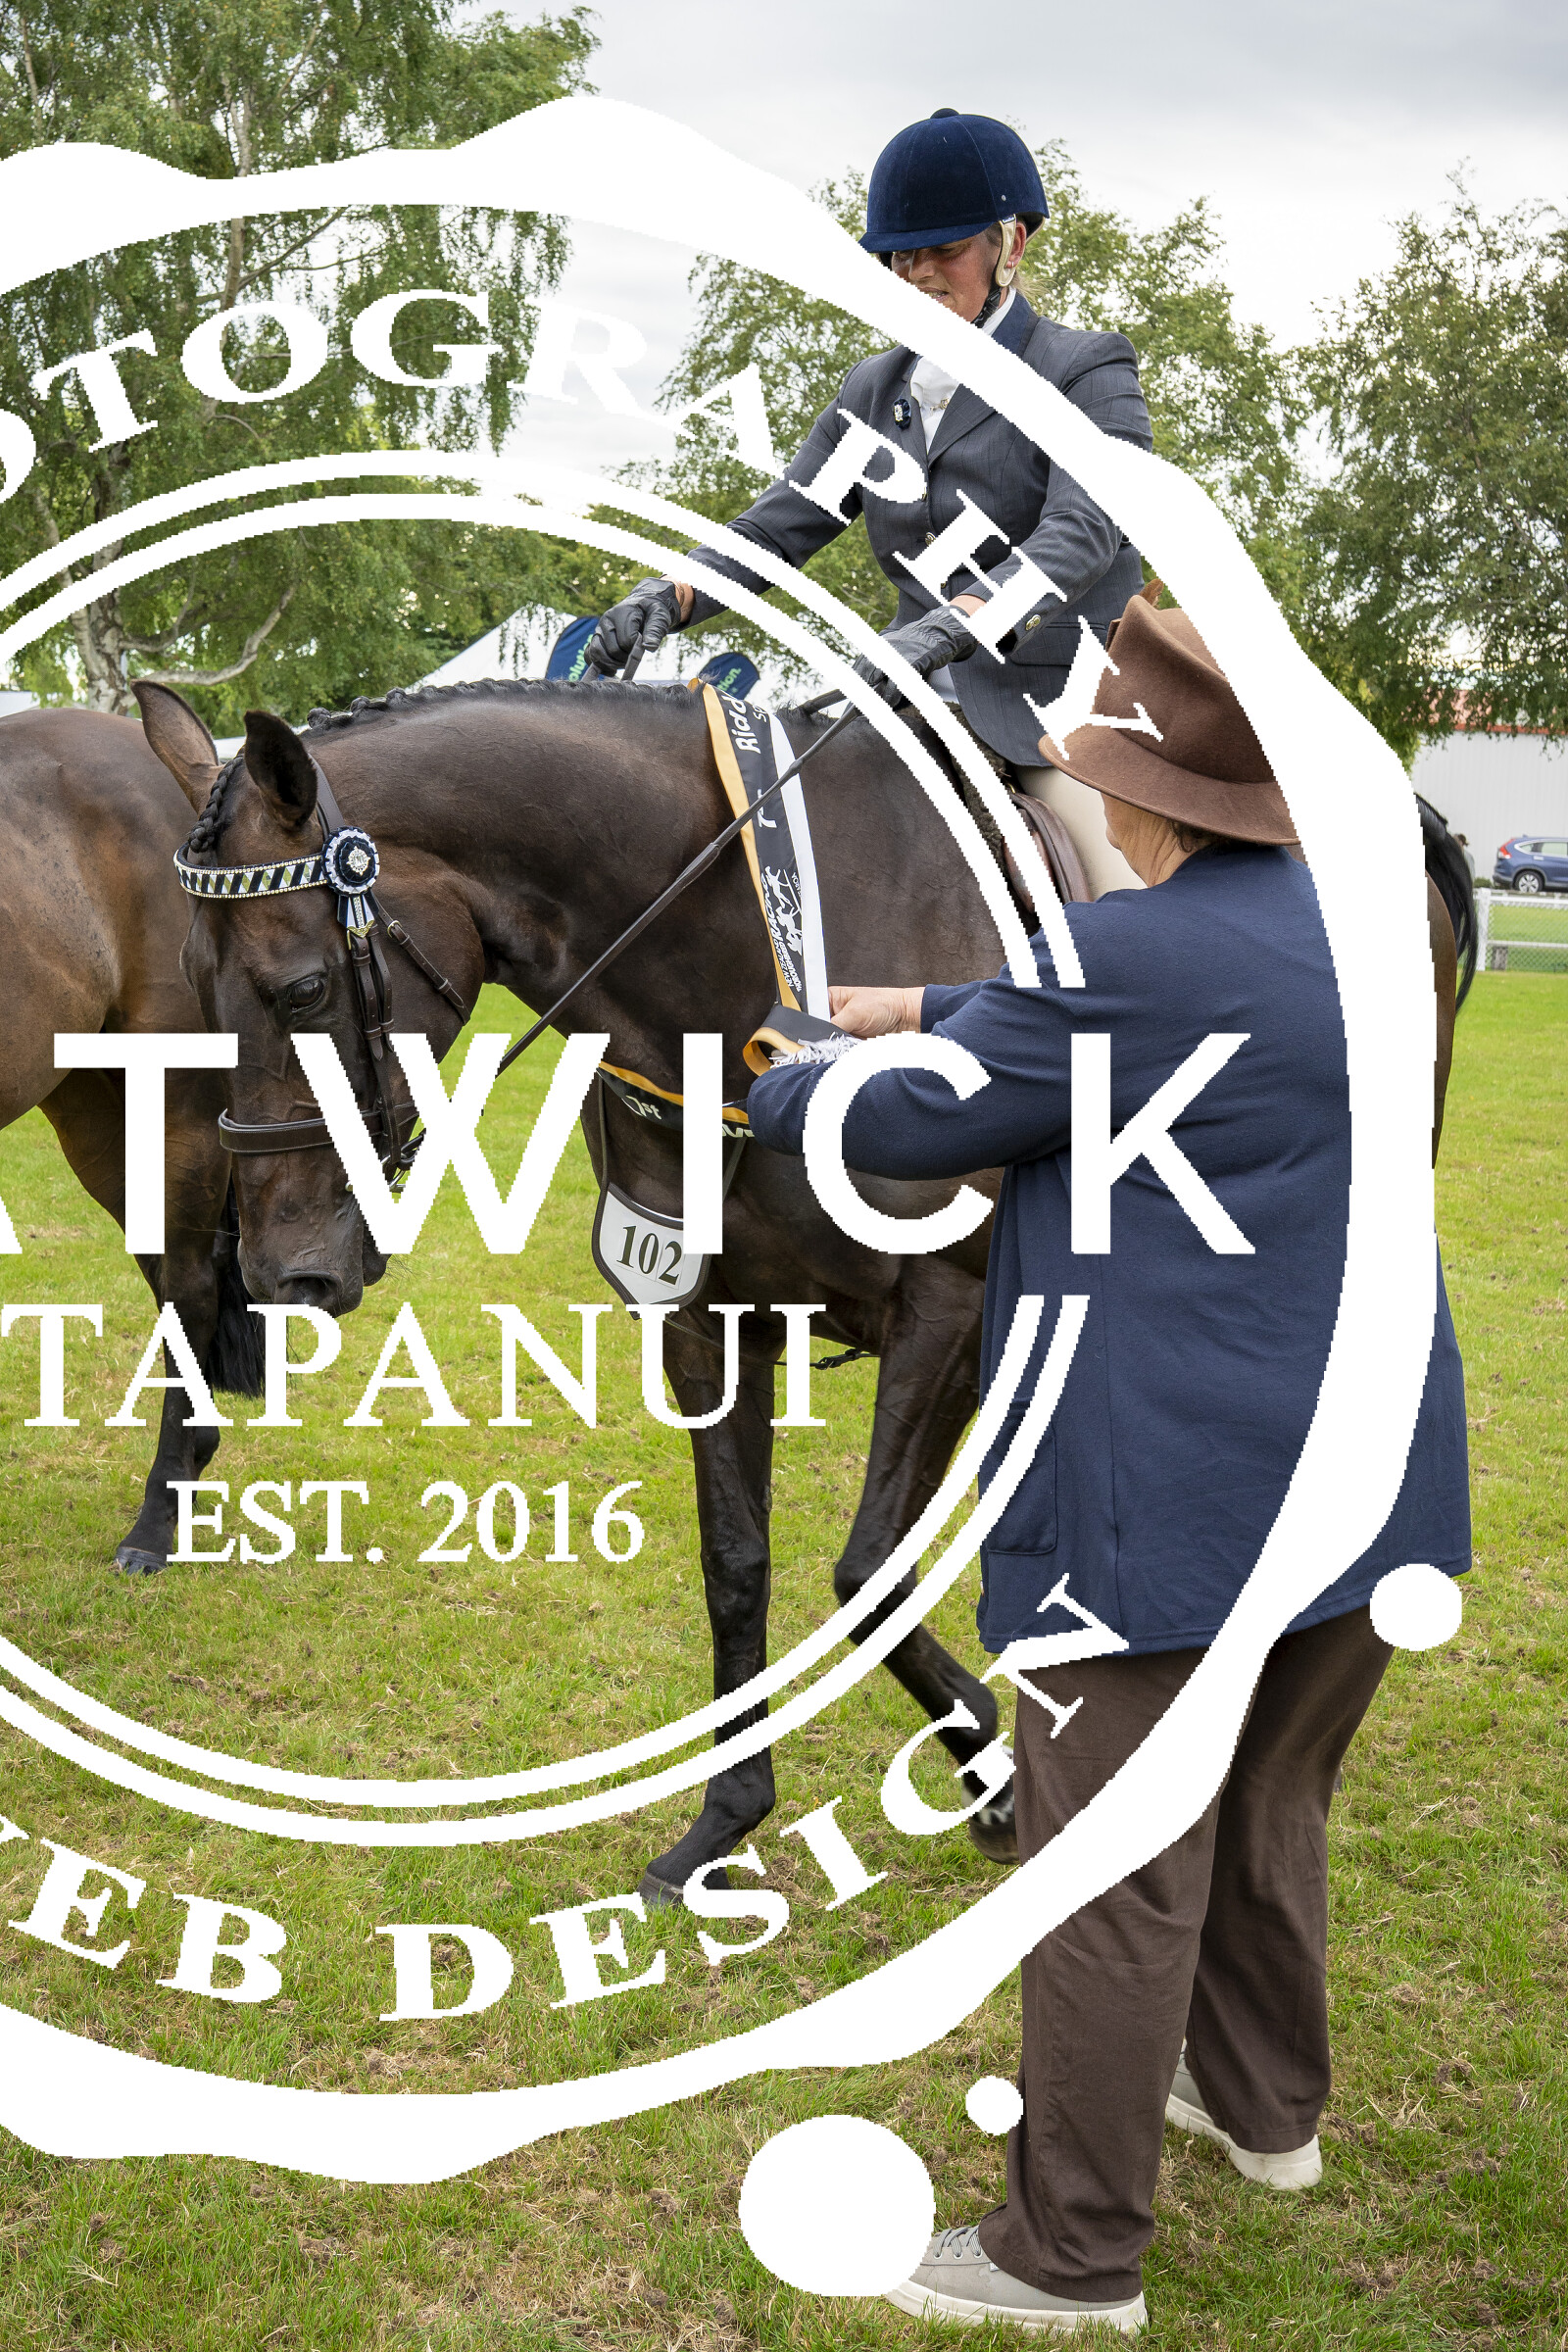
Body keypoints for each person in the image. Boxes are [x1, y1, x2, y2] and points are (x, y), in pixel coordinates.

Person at [745, 592, 1470, 2336]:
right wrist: (936, 999)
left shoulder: (1120, 958)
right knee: (1271, 1802)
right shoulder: (1365, 922)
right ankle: (1264, 2111)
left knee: (1110, 1871)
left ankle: (1067, 2255)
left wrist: (787, 1074)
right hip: (1373, 1478)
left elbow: (914, 1122)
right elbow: (1150, 1025)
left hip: (1174, 1502)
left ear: (1151, 800)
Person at [584, 107, 1154, 896]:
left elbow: (1082, 530)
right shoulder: (875, 390)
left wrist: (958, 622)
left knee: (1129, 905)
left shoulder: (1085, 371)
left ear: (1010, 246)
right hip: (904, 701)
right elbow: (778, 527)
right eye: (899, 256)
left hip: (1060, 717)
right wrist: (672, 592)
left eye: (945, 251)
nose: (916, 275)